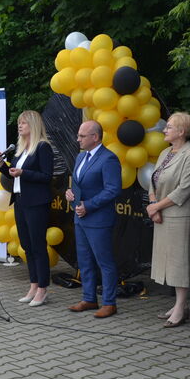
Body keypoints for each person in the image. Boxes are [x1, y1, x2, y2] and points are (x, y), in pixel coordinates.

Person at [0, 110, 55, 307]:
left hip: (36, 203)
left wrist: (24, 172)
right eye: (19, 123)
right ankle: (33, 285)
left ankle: (43, 288)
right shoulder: (21, 149)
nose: (20, 126)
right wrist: (1, 163)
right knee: (27, 246)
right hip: (20, 201)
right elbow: (13, 174)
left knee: (38, 246)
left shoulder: (43, 147)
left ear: (34, 125)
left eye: (24, 123)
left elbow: (47, 177)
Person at [145, 112, 190, 328]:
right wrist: (153, 206)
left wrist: (156, 207)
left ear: (182, 131)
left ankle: (181, 306)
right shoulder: (165, 153)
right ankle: (177, 305)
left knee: (178, 261)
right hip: (160, 213)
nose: (164, 130)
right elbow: (153, 180)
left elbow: (184, 190)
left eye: (169, 127)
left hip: (178, 214)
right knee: (166, 259)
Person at [65, 120, 122, 318]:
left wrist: (88, 205)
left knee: (103, 261)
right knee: (85, 260)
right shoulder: (81, 157)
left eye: (82, 136)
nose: (77, 139)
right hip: (80, 219)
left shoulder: (108, 159)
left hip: (98, 219)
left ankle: (109, 302)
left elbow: (113, 189)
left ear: (95, 137)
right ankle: (89, 298)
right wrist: (70, 193)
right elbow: (78, 184)